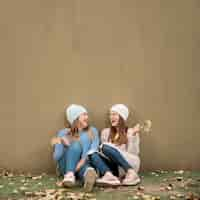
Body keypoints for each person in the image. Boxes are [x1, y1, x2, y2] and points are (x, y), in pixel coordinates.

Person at [97, 104, 151, 186]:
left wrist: (132, 135)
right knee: (93, 153)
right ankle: (109, 177)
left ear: (122, 117)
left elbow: (133, 153)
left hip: (129, 164)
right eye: (110, 114)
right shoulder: (105, 132)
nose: (111, 117)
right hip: (114, 168)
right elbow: (104, 153)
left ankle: (131, 173)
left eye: (114, 114)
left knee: (105, 146)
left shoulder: (131, 131)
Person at [51, 104, 99, 192]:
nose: (87, 117)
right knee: (75, 145)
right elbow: (56, 157)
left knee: (87, 170)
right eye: (84, 114)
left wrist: (82, 160)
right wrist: (61, 144)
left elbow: (94, 149)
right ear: (75, 118)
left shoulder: (92, 130)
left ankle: (85, 178)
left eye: (87, 114)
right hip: (65, 166)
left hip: (83, 163)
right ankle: (70, 174)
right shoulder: (63, 132)